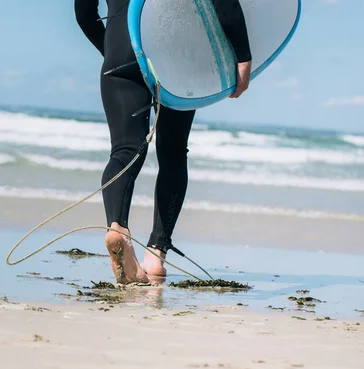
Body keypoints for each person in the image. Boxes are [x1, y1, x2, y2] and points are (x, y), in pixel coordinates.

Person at [74, 0, 252, 284]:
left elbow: (84, 13)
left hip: (123, 40)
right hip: (175, 48)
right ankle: (156, 253)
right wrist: (242, 55)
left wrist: (114, 47)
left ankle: (117, 228)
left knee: (125, 150)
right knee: (172, 152)